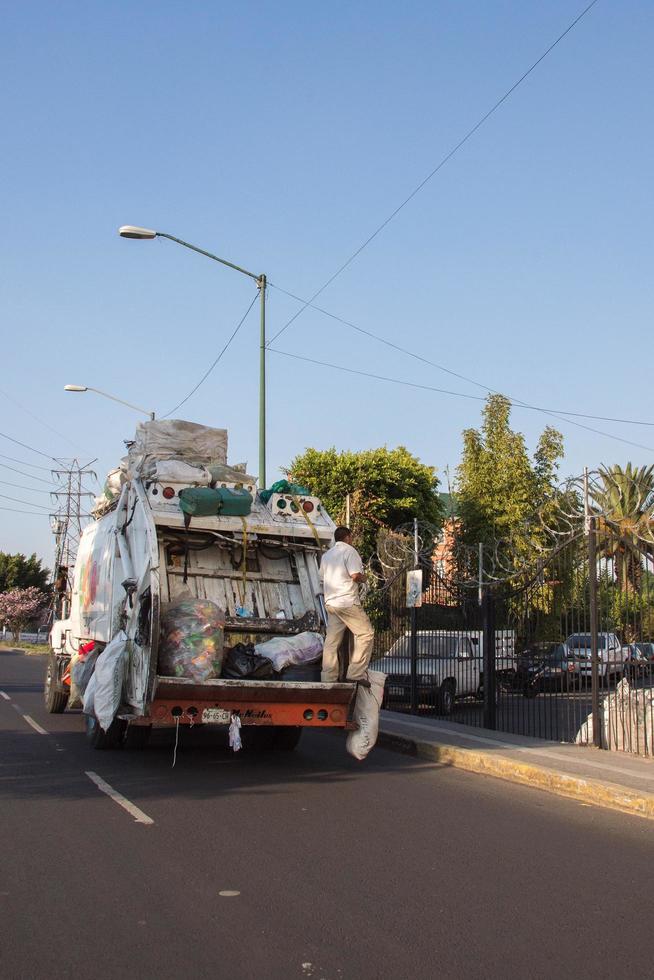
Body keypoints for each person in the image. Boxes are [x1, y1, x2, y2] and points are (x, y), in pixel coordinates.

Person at [319, 526, 374, 686]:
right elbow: (355, 575)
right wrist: (365, 579)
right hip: (347, 602)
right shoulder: (350, 551)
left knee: (332, 641)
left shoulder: (327, 555)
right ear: (348, 537)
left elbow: (322, 578)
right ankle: (355, 673)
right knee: (366, 634)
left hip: (331, 603)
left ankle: (328, 677)